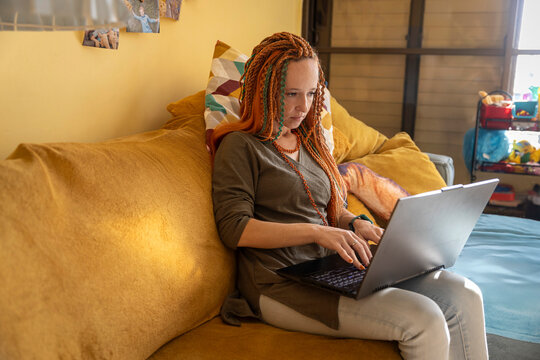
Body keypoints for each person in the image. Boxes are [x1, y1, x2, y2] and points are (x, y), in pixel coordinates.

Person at [210, 32, 488, 360]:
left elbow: (331, 207)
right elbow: (234, 228)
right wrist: (317, 232)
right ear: (264, 91)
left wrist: (356, 223)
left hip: (327, 269)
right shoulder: (240, 146)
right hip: (277, 283)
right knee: (424, 319)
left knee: (465, 294)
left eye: (312, 93)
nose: (304, 106)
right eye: (291, 94)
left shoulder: (310, 142)